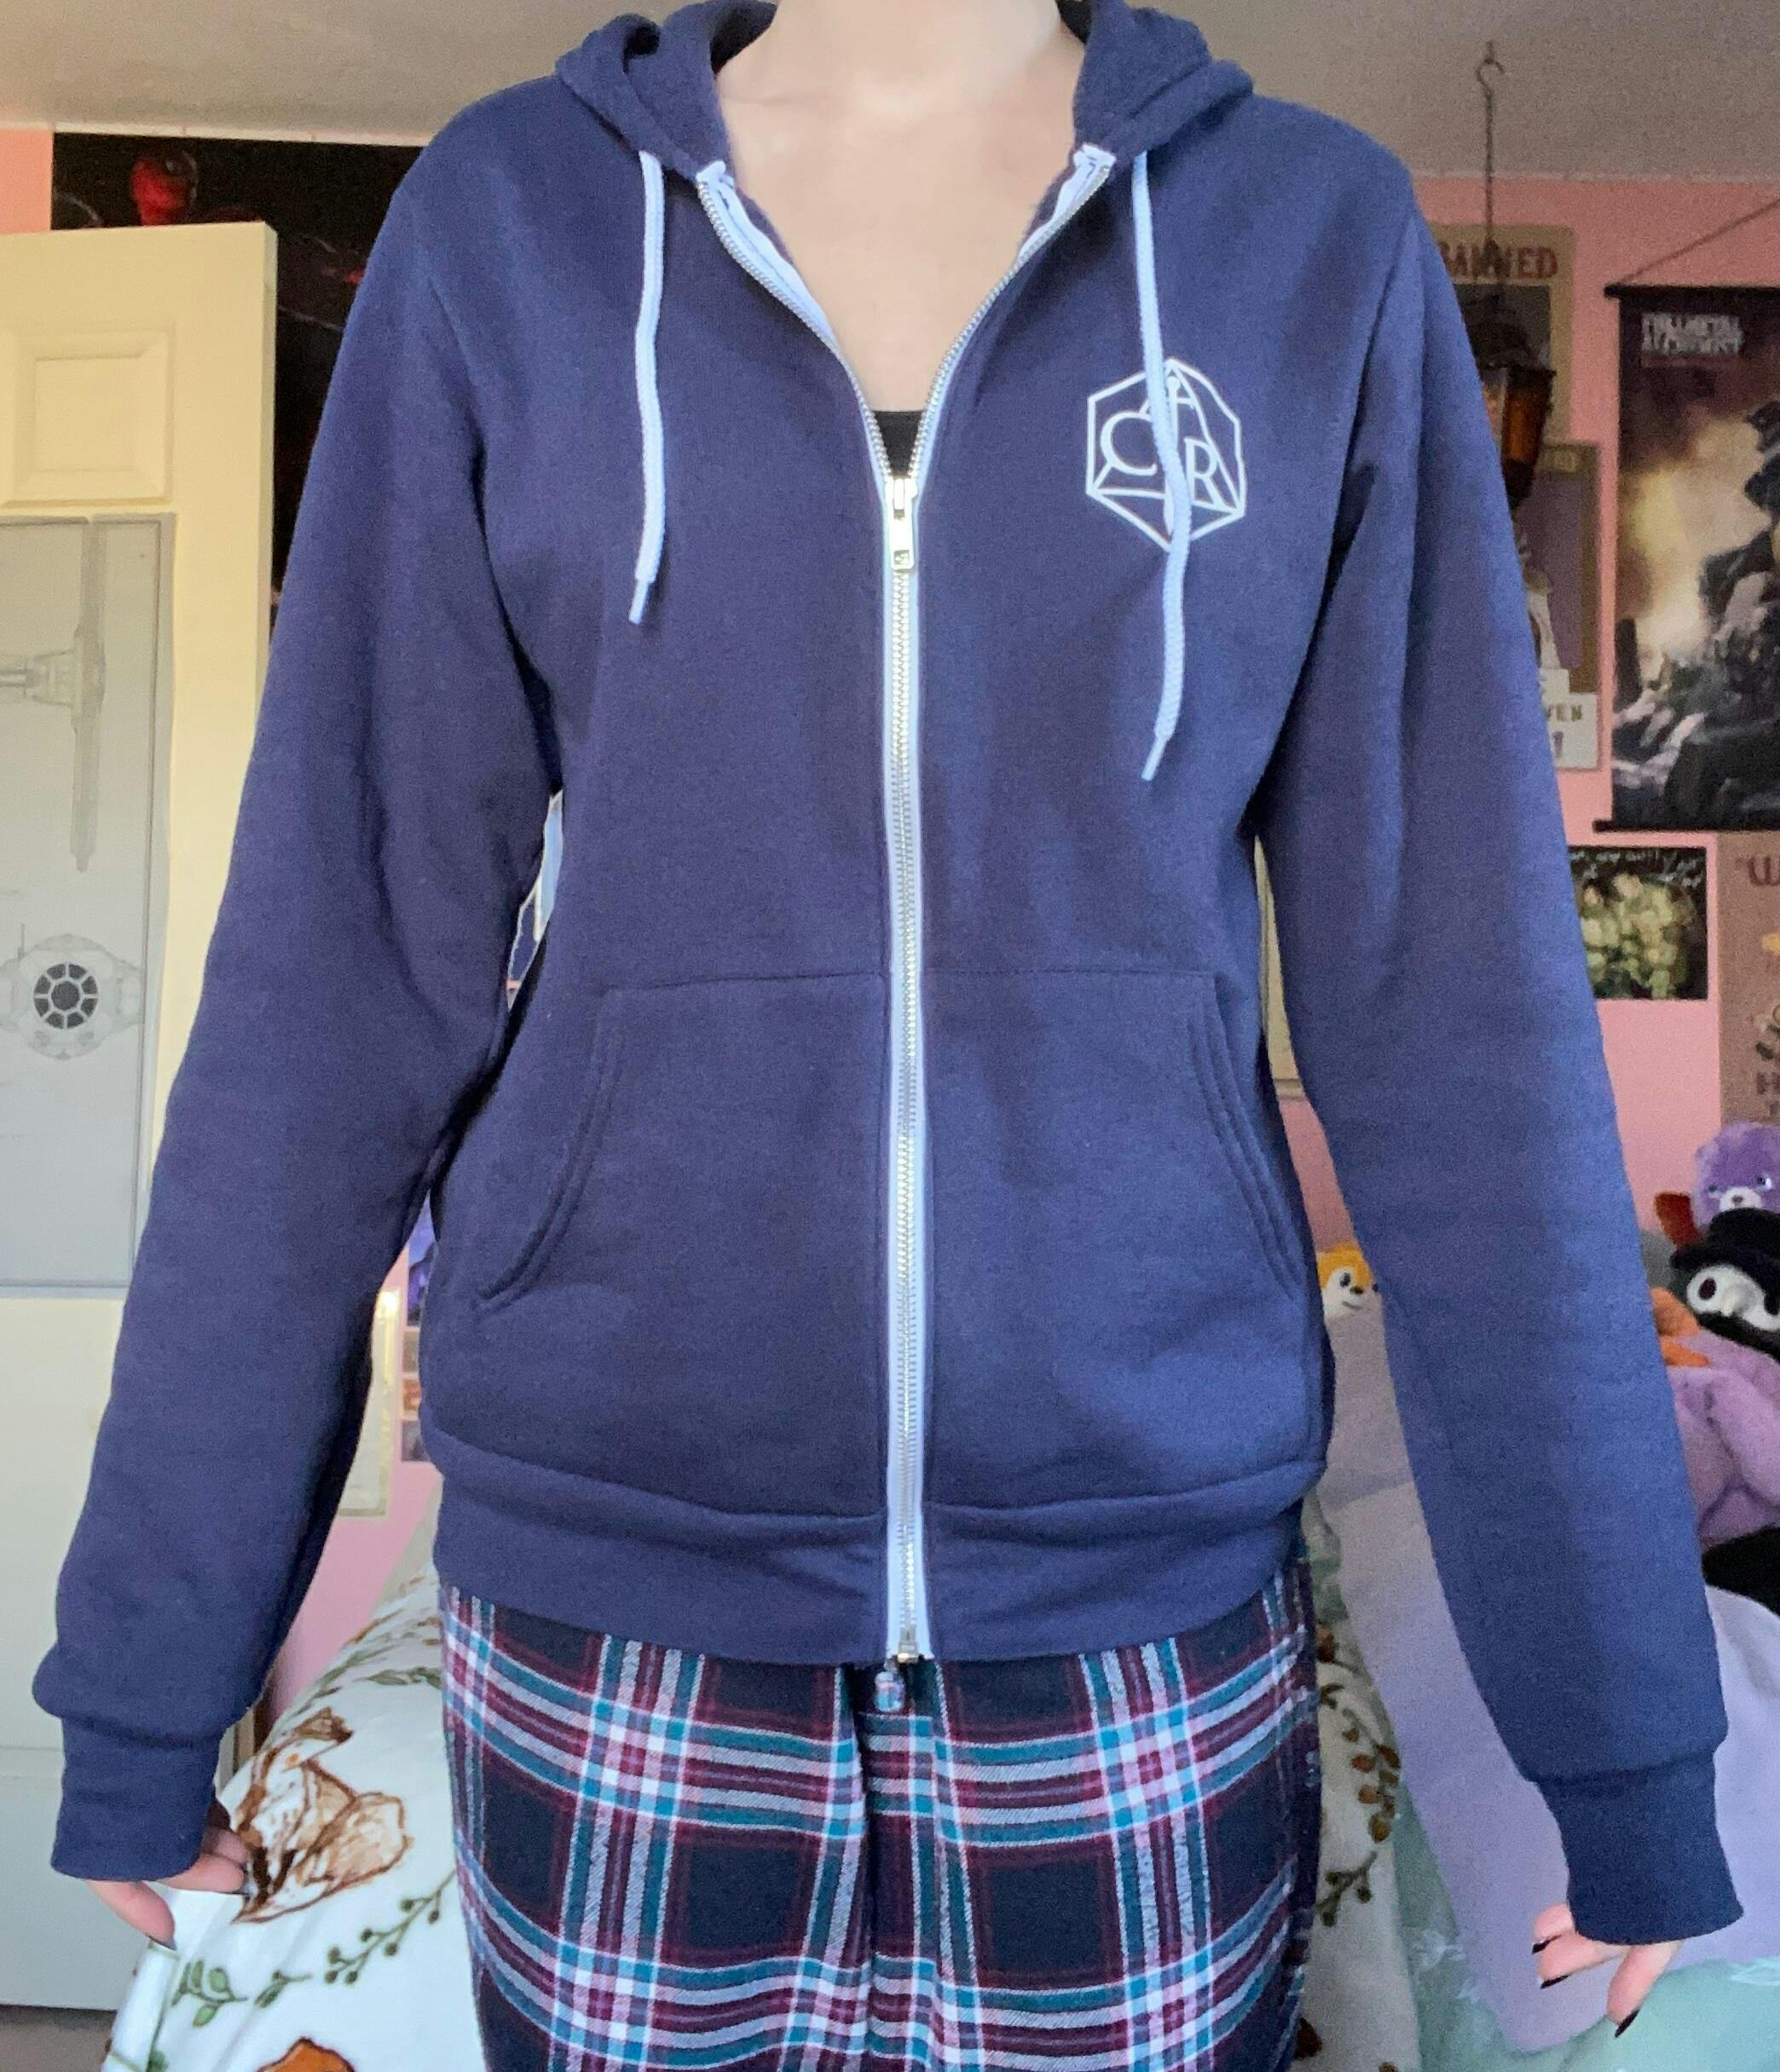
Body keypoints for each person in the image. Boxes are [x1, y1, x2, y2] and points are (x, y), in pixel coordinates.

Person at [33, 0, 1742, 2064]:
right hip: (612, 1613)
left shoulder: (1310, 240)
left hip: (1138, 1622)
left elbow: (1462, 1023)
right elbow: (335, 973)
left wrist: (1623, 1737)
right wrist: (151, 1673)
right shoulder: (511, 224)